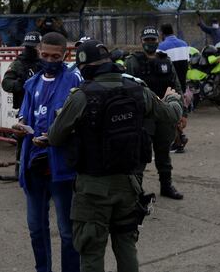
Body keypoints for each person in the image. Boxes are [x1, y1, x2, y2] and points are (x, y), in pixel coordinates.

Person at [48, 39, 183, 272]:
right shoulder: (138, 90)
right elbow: (170, 116)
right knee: (126, 246)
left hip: (92, 188)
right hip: (128, 185)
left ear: (84, 67)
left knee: (91, 251)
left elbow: (54, 137)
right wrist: (173, 99)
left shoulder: (81, 96)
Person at [12, 32, 81, 272]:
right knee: (35, 227)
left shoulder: (74, 82)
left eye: (56, 56)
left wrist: (54, 138)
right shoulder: (32, 83)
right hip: (33, 166)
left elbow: (80, 124)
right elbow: (24, 113)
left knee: (67, 231)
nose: (50, 60)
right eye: (45, 55)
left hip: (61, 169)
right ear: (39, 52)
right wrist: (20, 125)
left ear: (65, 55)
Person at [125, 26, 184, 200]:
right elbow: (128, 88)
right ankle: (137, 192)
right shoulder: (133, 61)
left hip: (165, 114)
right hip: (144, 116)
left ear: (158, 40)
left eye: (153, 40)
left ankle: (166, 186)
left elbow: (176, 86)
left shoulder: (166, 61)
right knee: (141, 154)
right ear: (141, 41)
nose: (150, 43)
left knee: (163, 152)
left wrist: (182, 112)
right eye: (147, 40)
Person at [0, 31, 42, 182]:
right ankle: (19, 170)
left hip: (43, 106)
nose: (31, 50)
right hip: (25, 107)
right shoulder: (18, 63)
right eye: (29, 47)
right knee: (22, 139)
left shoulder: (44, 62)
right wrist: (20, 84)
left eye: (34, 47)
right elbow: (6, 83)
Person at [158, 23, 189, 153]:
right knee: (179, 111)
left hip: (169, 84)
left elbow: (160, 66)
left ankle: (178, 140)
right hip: (182, 83)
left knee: (171, 112)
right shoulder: (184, 44)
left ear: (162, 33)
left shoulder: (161, 47)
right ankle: (180, 137)